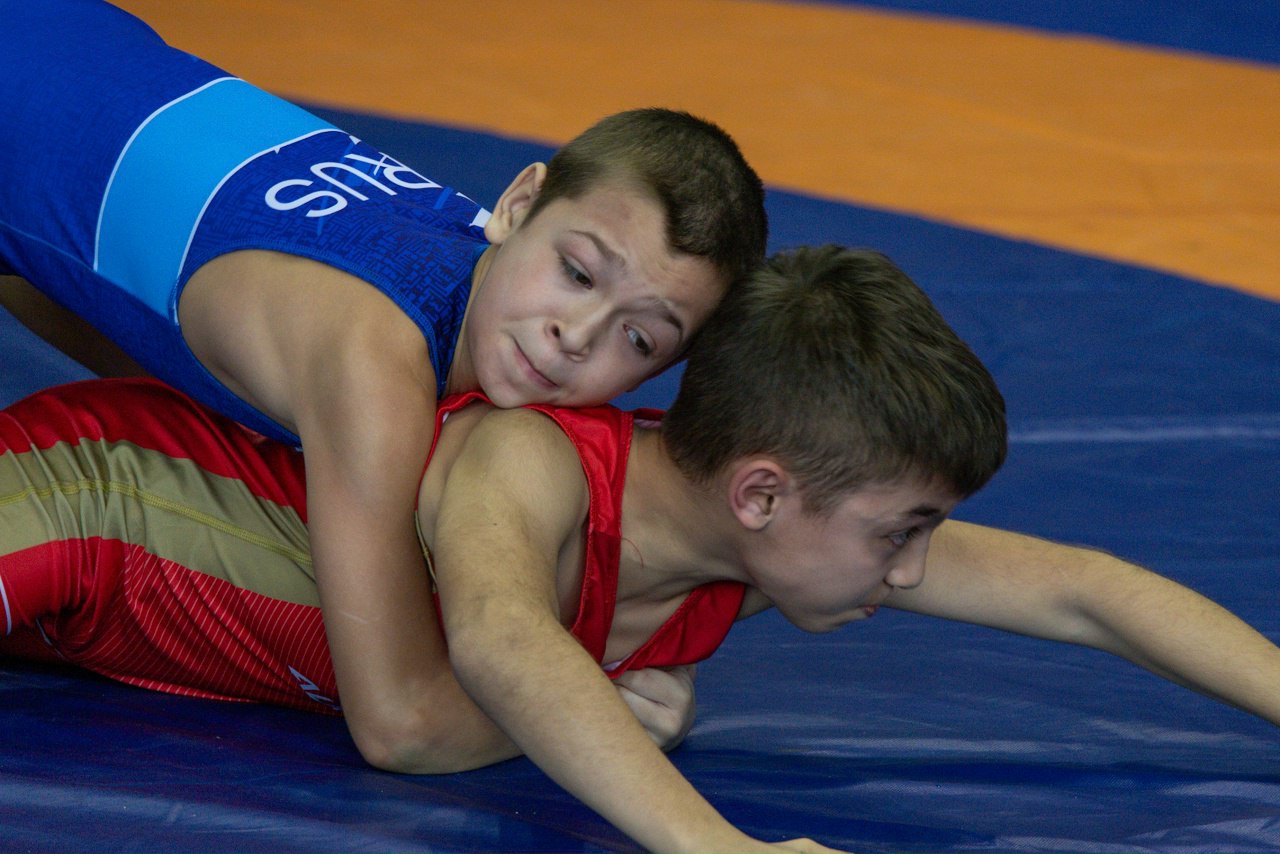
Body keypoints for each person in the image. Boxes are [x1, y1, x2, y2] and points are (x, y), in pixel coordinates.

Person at [5, 245, 1280, 853]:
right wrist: (718, 848)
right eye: (901, 533)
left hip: (104, 619)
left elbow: (1081, 591)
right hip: (86, 499)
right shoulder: (532, 463)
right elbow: (497, 637)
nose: (908, 570)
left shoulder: (763, 542)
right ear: (763, 490)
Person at [0, 0, 766, 769]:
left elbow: (82, 280)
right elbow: (402, 723)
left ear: (662, 373)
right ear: (516, 207)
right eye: (576, 273)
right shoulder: (378, 366)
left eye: (638, 338)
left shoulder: (486, 273)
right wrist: (595, 704)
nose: (577, 334)